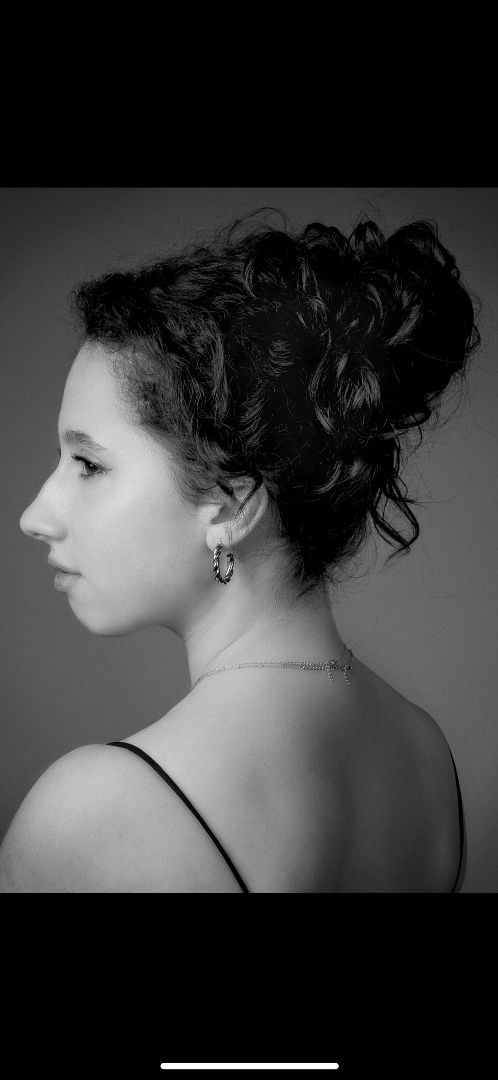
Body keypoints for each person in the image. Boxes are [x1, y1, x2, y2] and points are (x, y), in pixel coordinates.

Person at [1, 208, 479, 892]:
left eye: (88, 464)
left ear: (231, 507)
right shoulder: (425, 752)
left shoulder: (96, 813)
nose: (34, 516)